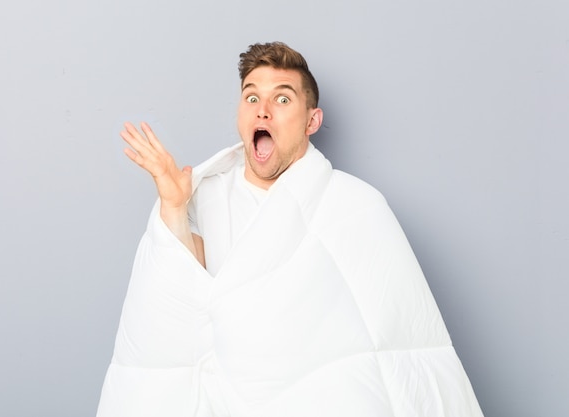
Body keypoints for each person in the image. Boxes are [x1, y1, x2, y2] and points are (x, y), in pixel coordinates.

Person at [97, 42, 483, 417]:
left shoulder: (354, 206)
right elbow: (186, 303)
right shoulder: (205, 194)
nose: (262, 111)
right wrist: (174, 205)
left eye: (282, 100)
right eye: (252, 98)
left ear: (311, 120)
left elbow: (398, 343)